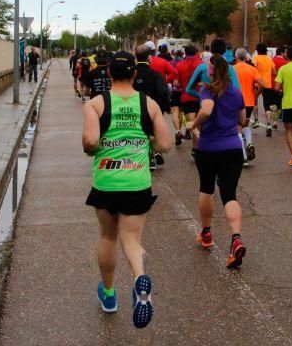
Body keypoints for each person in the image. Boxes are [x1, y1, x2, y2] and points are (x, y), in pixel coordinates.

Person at [82, 50, 171, 329]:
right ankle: (139, 279)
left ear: (108, 74)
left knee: (108, 237)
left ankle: (109, 296)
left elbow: (91, 142)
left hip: (106, 183)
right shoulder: (149, 105)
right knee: (131, 240)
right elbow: (165, 144)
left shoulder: (96, 104)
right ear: (134, 73)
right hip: (137, 183)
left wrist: (93, 145)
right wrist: (147, 143)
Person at [186, 57, 248, 268]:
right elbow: (242, 120)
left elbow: (207, 109)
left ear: (210, 72)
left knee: (206, 188)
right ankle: (236, 238)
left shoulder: (206, 90)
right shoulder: (236, 92)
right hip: (232, 147)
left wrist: (193, 125)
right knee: (229, 193)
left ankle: (206, 233)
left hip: (209, 148)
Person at [133, 45, 170, 169]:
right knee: (154, 132)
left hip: (135, 108)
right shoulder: (156, 75)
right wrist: (165, 107)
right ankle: (155, 154)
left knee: (141, 132)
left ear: (136, 57)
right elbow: (162, 92)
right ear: (150, 57)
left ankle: (143, 155)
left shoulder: (132, 74)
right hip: (154, 108)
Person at [233, 48, 266, 165]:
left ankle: (243, 157)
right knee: (245, 125)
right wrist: (256, 94)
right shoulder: (252, 69)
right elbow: (263, 84)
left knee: (237, 128)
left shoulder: (232, 69)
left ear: (236, 57)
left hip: (235, 102)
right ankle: (249, 143)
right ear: (246, 57)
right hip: (249, 102)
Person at [175, 45, 203, 148]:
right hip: (201, 97)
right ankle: (195, 150)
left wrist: (183, 83)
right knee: (198, 125)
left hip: (187, 97)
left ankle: (199, 143)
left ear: (185, 53)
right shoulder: (201, 64)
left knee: (191, 124)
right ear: (196, 52)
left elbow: (176, 83)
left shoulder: (179, 65)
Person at [252, 43, 278, 137]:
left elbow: (252, 69)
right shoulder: (269, 59)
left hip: (257, 84)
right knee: (268, 105)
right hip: (267, 84)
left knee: (254, 101)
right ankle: (269, 125)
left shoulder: (255, 58)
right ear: (266, 50)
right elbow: (275, 72)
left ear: (257, 50)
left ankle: (256, 120)